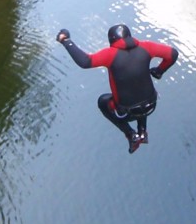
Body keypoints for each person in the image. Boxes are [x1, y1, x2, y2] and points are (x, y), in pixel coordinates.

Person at [56, 24, 178, 154]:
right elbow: (173, 54)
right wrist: (159, 71)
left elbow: (85, 62)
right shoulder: (146, 47)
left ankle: (131, 135)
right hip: (151, 105)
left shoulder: (111, 54)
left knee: (103, 102)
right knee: (138, 88)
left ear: (111, 41)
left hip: (128, 111)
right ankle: (142, 132)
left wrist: (66, 40)